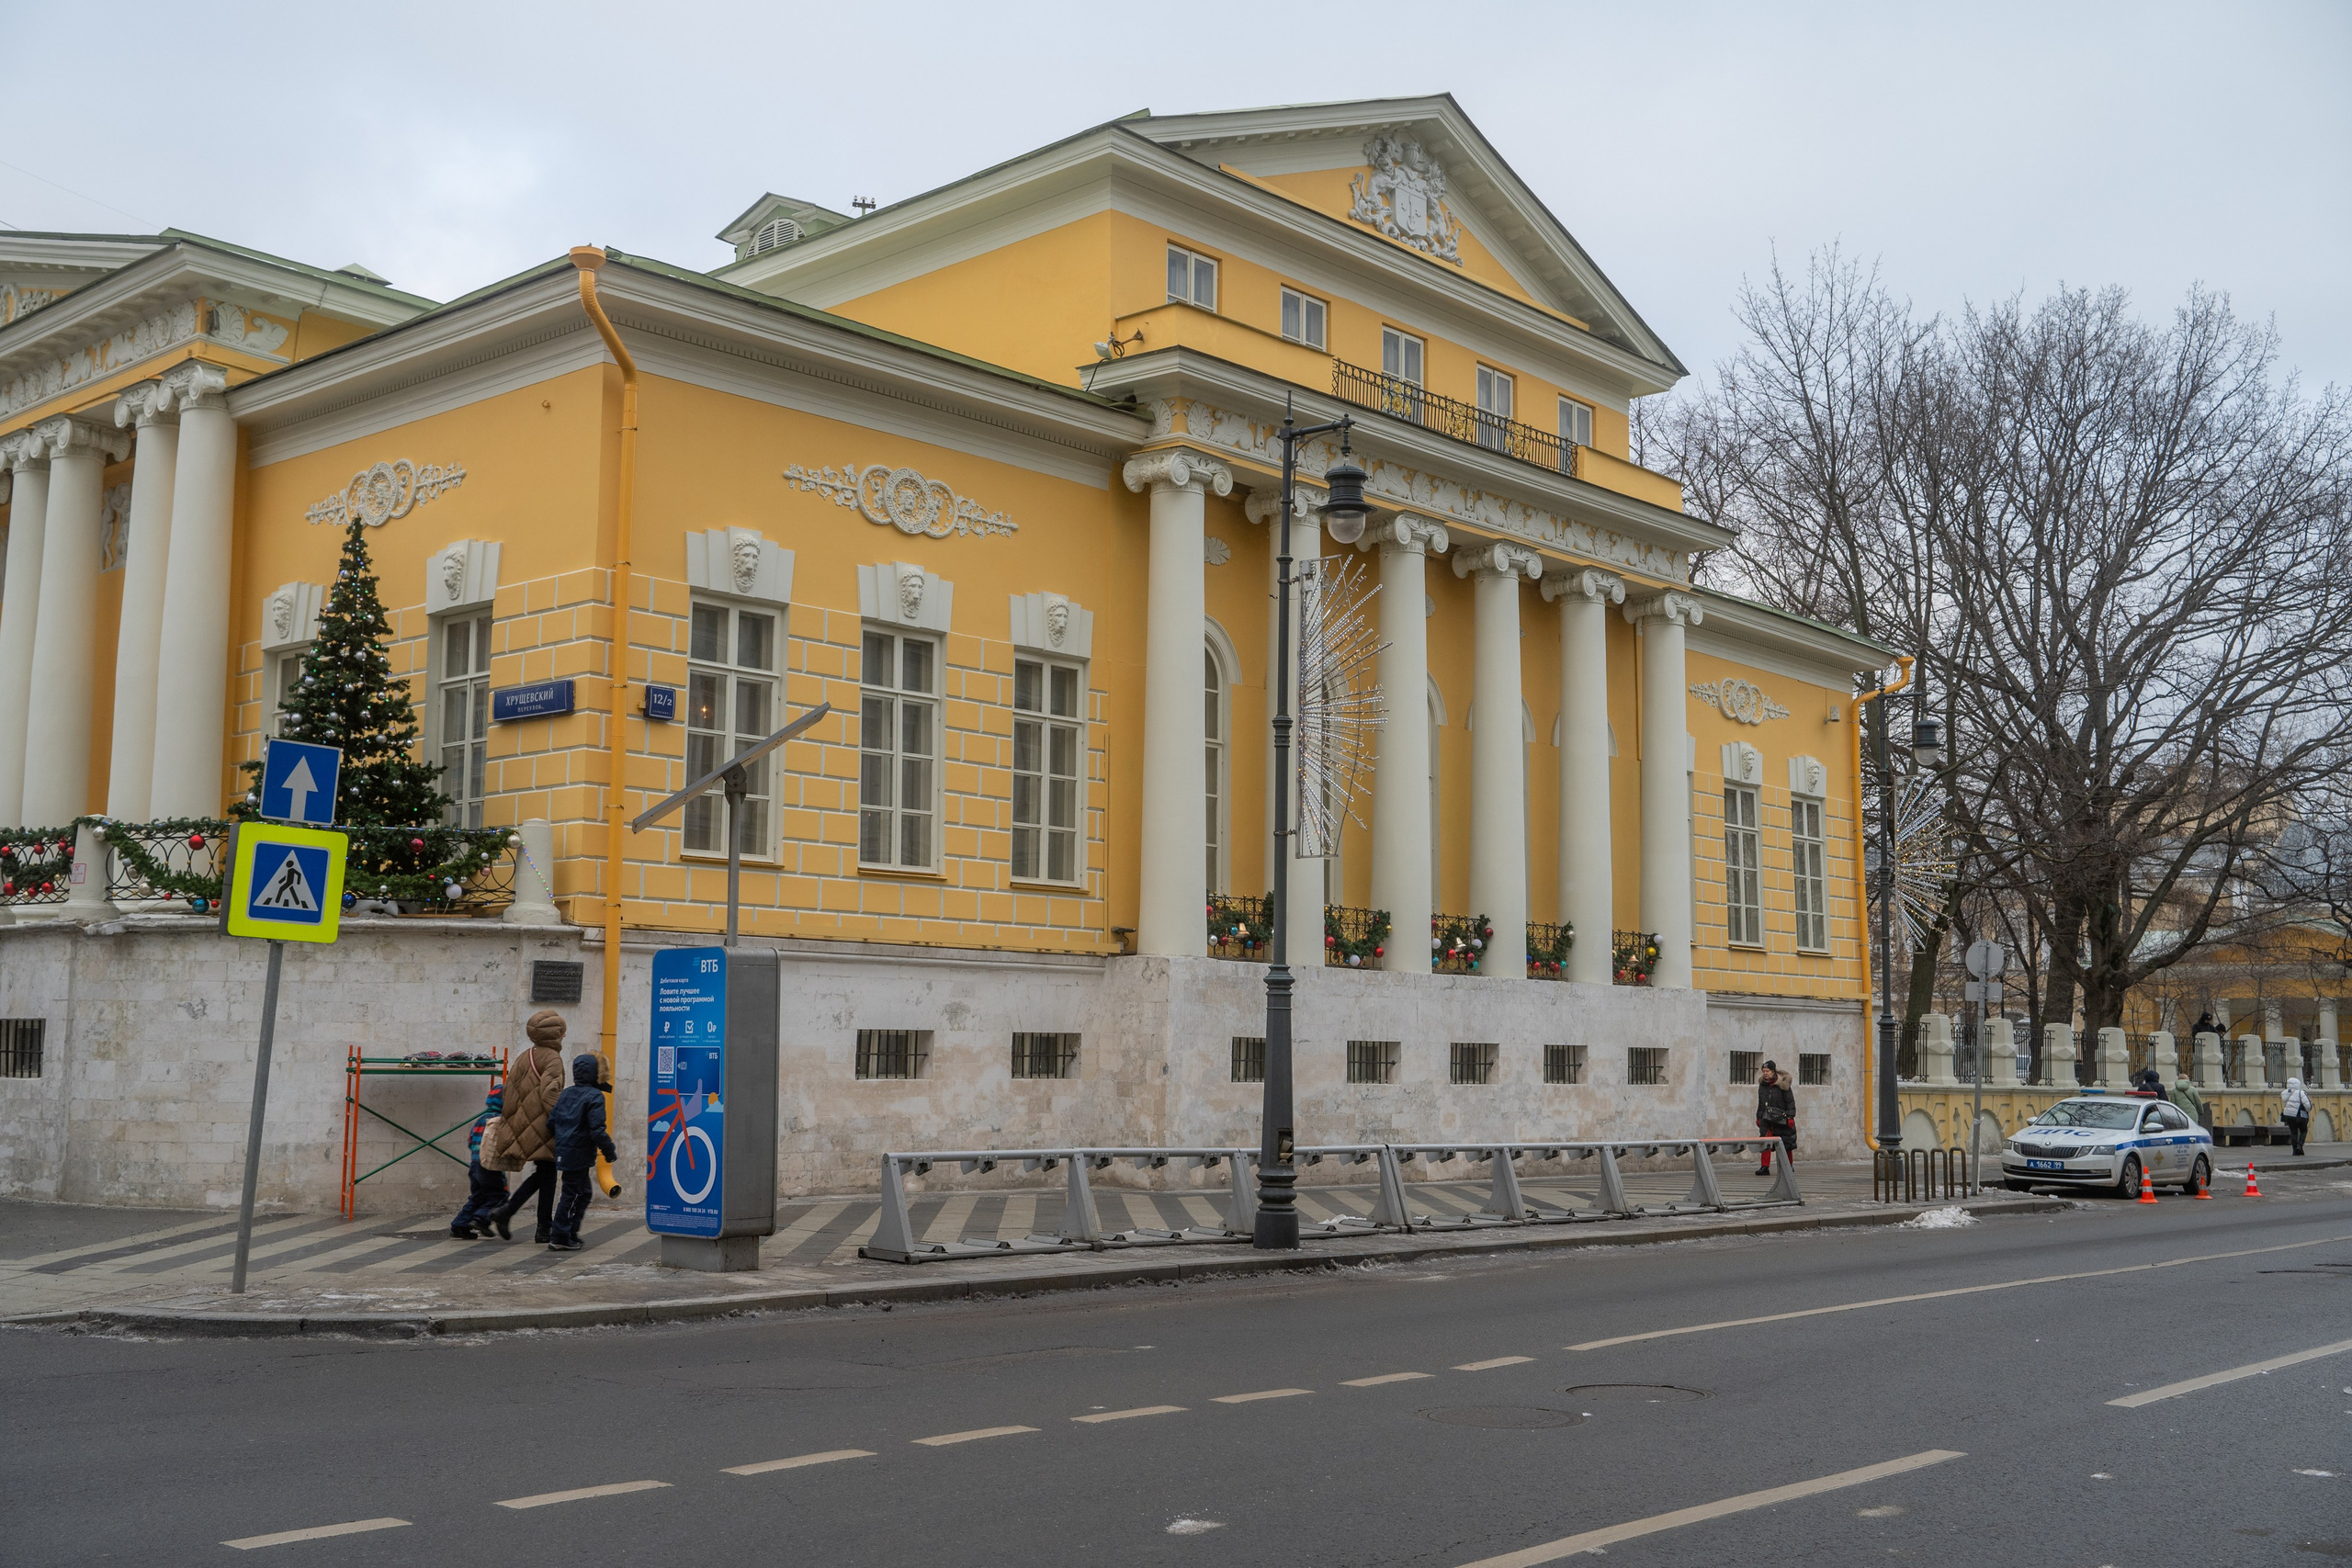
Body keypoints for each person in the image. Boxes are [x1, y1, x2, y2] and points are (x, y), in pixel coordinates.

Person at [494, 1010, 570, 1244]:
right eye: (562, 1032)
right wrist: (562, 1121)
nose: (564, 1036)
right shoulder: (553, 1059)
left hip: (524, 1126)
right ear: (554, 1033)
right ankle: (538, 1225)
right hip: (544, 1126)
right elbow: (550, 1093)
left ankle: (520, 1217)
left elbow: (509, 1092)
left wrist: (513, 1124)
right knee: (547, 1175)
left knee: (544, 1175)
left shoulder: (524, 1056)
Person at [546, 1053, 618, 1251]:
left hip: (566, 1151)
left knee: (583, 1193)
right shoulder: (594, 1096)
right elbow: (597, 1130)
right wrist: (609, 1151)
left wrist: (564, 1137)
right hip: (578, 1153)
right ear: (596, 1073)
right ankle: (560, 1236)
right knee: (572, 1194)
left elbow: (551, 1123)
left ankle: (570, 1232)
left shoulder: (567, 1093)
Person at [449, 1085, 509, 1239]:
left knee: (478, 1197)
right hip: (489, 1165)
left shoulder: (481, 1119)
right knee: (499, 1196)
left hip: (475, 1164)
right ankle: (481, 1219)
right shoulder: (499, 1121)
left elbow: (470, 1141)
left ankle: (459, 1225)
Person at [1756, 1065, 1797, 1175]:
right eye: (1764, 1071)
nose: (1765, 1073)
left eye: (1768, 1071)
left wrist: (1790, 1117)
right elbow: (1760, 1103)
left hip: (1781, 1118)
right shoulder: (1762, 1085)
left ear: (1773, 1071)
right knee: (1766, 1141)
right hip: (1766, 1117)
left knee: (1786, 1142)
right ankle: (1765, 1167)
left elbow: (1790, 1102)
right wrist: (1758, 1117)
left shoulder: (1783, 1084)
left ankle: (1788, 1166)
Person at [2281, 1076, 2313, 1156]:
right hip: (2298, 1115)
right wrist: (2308, 1109)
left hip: (2288, 1115)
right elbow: (2307, 1105)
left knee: (2293, 1132)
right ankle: (2300, 1146)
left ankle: (2294, 1150)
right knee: (2303, 1130)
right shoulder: (2301, 1093)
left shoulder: (2284, 1093)